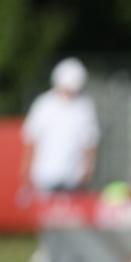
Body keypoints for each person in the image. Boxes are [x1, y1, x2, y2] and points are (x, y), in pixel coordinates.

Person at [21, 58, 100, 193]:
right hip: (44, 175)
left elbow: (90, 142)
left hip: (73, 178)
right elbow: (31, 139)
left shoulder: (84, 107)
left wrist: (87, 171)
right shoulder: (43, 104)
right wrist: (26, 171)